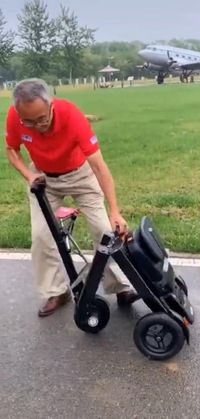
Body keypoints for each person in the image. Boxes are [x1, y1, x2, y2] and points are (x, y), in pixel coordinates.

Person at [5, 78, 138, 317]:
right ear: (18, 112)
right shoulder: (16, 118)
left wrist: (115, 210)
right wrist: (29, 175)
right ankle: (57, 292)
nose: (37, 126)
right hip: (44, 178)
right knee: (41, 237)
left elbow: (99, 167)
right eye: (29, 122)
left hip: (80, 175)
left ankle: (120, 286)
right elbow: (11, 149)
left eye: (42, 119)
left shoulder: (71, 116)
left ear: (51, 106)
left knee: (104, 231)